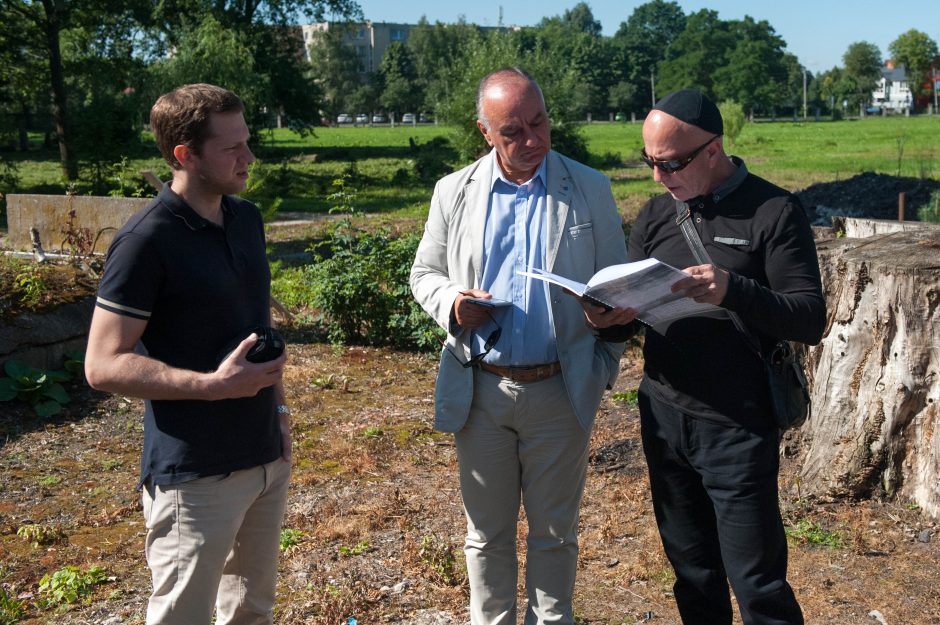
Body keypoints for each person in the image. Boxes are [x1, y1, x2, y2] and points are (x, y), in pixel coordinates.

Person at [410, 67, 632, 625]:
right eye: (513, 131)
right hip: (481, 388)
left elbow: (617, 284)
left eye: (540, 122)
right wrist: (454, 303)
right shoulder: (453, 192)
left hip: (561, 387)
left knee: (556, 533)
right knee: (486, 535)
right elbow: (424, 274)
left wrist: (605, 357)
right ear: (484, 131)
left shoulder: (589, 187)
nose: (532, 140)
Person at [84, 83, 291, 625]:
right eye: (232, 148)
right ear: (184, 154)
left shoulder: (245, 218)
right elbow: (102, 364)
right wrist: (210, 385)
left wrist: (281, 412)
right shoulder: (145, 241)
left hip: (263, 456)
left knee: (252, 613)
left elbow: (256, 328)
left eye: (247, 141)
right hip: (195, 477)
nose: (249, 157)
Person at [620, 88, 826, 625]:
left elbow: (808, 317)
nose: (659, 178)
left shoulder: (775, 211)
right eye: (650, 163)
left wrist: (732, 290)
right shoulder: (655, 215)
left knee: (756, 583)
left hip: (737, 422)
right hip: (663, 414)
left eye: (670, 164)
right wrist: (605, 321)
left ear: (712, 150)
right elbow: (628, 303)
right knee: (692, 574)